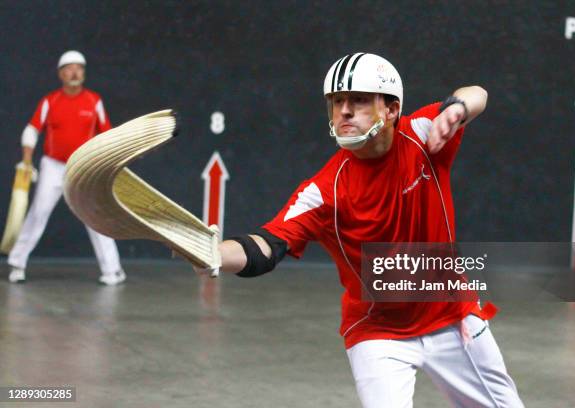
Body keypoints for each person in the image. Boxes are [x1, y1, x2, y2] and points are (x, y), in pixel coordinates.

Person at [200, 53, 524, 407]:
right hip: (379, 335)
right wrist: (212, 253)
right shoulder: (324, 191)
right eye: (337, 101)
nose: (344, 111)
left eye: (358, 100)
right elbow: (266, 245)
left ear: (391, 109)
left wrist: (457, 108)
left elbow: (478, 93)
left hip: (452, 316)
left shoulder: (423, 136)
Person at [7, 50, 126, 285]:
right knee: (38, 213)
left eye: (79, 67)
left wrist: (109, 163)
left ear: (83, 72)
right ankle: (17, 264)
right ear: (61, 74)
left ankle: (112, 270)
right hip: (52, 166)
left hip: (83, 168)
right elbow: (32, 130)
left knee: (95, 217)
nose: (75, 72)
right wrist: (27, 159)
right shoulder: (50, 101)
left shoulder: (94, 101)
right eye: (69, 68)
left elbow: (108, 134)